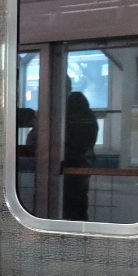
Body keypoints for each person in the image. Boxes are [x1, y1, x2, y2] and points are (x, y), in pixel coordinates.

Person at [62, 87, 99, 221]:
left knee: (65, 204)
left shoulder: (68, 118)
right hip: (84, 165)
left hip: (69, 165)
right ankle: (80, 235)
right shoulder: (90, 116)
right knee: (79, 203)